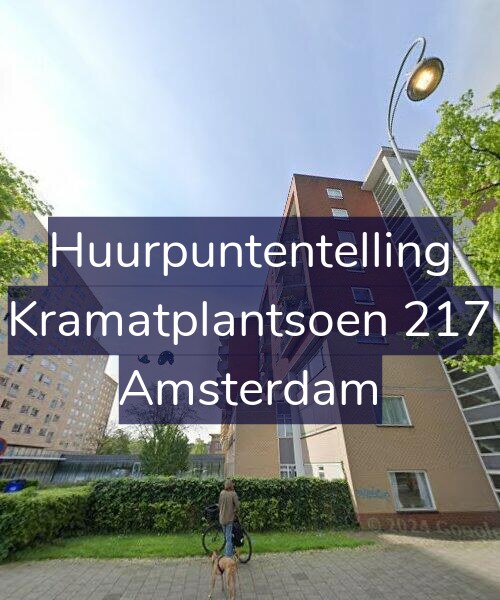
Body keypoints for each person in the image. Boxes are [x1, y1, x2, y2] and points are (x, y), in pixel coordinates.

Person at [218, 479, 240, 557]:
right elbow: (237, 506)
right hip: (229, 519)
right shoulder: (233, 494)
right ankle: (228, 556)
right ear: (231, 485)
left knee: (226, 537)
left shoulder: (222, 493)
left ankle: (230, 551)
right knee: (228, 539)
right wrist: (235, 510)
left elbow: (219, 505)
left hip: (222, 519)